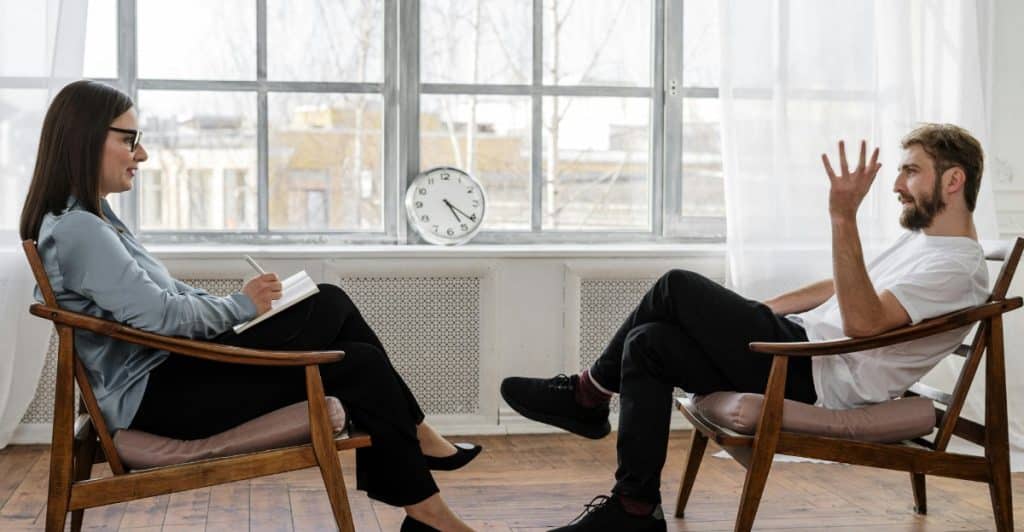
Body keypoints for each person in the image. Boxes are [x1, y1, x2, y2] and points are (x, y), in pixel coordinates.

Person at [20, 80, 480, 532]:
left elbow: (168, 298)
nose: (142, 155)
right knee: (329, 304)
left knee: (357, 359)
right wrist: (241, 307)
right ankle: (420, 452)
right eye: (131, 140)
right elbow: (159, 316)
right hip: (160, 399)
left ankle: (427, 511)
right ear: (85, 139)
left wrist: (239, 306)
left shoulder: (93, 222)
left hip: (170, 379)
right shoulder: (81, 230)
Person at [501, 124, 990, 531]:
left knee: (676, 286)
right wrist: (754, 310)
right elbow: (840, 287)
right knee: (647, 342)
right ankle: (635, 509)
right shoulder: (927, 246)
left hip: (811, 375)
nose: (897, 184)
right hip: (797, 346)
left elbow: (863, 322)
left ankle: (588, 395)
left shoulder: (955, 268)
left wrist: (842, 216)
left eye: (910, 170)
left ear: (952, 180)